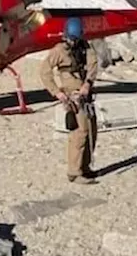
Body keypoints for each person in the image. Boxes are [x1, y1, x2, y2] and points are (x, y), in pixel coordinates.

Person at [39, 17, 99, 184]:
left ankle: (85, 167)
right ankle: (74, 171)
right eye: (72, 38)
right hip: (72, 97)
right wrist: (57, 92)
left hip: (86, 95)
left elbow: (93, 64)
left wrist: (88, 83)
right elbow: (44, 71)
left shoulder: (85, 47)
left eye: (76, 38)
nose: (74, 41)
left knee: (92, 131)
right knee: (80, 133)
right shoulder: (59, 50)